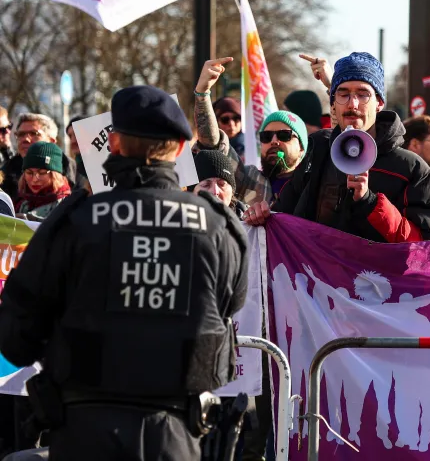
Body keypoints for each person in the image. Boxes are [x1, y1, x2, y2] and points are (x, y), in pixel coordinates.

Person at [0, 85, 248, 461]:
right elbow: (227, 316)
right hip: (176, 436)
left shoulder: (73, 221)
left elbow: (17, 337)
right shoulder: (219, 229)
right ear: (181, 149)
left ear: (112, 144)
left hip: (83, 433)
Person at [246, 52, 430, 242]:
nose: (352, 104)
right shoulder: (319, 152)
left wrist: (371, 202)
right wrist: (263, 215)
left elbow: (422, 246)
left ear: (379, 103)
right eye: (343, 94)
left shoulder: (411, 169)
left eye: (363, 94)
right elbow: (283, 216)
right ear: (333, 104)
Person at [193, 58, 274, 206]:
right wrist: (202, 95)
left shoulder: (256, 160)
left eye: (237, 118)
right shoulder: (206, 153)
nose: (215, 191)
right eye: (225, 119)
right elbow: (211, 143)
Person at [256, 110, 308, 202]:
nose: (274, 141)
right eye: (267, 136)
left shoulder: (310, 186)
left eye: (284, 135)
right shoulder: (251, 180)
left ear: (301, 147)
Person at [14, 142, 71, 222]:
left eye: (42, 173)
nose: (35, 179)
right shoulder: (19, 203)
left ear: (55, 175)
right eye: (29, 172)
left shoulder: (68, 205)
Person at [192, 149, 242, 215]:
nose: (215, 192)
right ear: (191, 192)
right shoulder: (177, 222)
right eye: (206, 185)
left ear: (232, 192)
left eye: (222, 184)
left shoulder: (249, 222)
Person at [65, 116, 90, 192]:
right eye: (70, 136)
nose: (73, 141)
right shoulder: (69, 168)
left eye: (77, 134)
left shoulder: (108, 163)